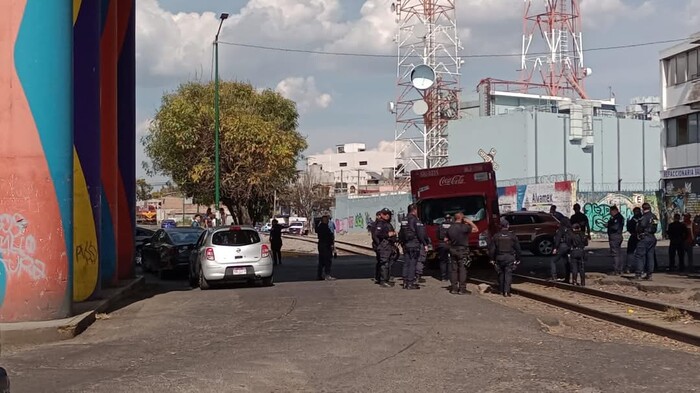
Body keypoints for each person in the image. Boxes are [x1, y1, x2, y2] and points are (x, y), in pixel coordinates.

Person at [446, 212, 479, 295]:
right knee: (462, 269)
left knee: (454, 270)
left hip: (453, 249)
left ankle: (454, 288)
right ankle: (462, 289)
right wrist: (470, 222)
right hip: (462, 250)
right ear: (462, 218)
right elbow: (476, 229)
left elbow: (446, 239)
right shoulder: (465, 227)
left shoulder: (450, 228)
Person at [489, 217, 521, 297]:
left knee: (501, 273)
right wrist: (518, 258)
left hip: (499, 257)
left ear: (500, 226)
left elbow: (492, 249)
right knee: (508, 274)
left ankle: (501, 290)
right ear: (508, 226)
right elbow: (518, 248)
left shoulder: (496, 236)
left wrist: (491, 259)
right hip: (510, 257)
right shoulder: (512, 236)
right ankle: (507, 291)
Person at [398, 204, 428, 290]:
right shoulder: (415, 220)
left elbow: (400, 233)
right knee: (412, 263)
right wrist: (425, 243)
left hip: (406, 244)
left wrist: (402, 243)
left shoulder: (404, 220)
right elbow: (421, 233)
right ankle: (410, 283)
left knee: (406, 263)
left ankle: (405, 281)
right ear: (414, 210)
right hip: (414, 243)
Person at [373, 208, 398, 288]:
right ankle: (383, 280)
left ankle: (386, 279)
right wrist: (388, 235)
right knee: (384, 263)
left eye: (388, 214)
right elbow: (377, 234)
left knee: (388, 262)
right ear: (381, 215)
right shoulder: (380, 223)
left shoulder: (387, 223)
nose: (387, 215)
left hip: (389, 246)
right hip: (384, 246)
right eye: (385, 214)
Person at [635, 202, 659, 280]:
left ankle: (639, 273)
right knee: (650, 256)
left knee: (640, 255)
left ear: (643, 209)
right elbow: (655, 227)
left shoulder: (644, 217)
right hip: (652, 237)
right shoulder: (654, 217)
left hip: (644, 237)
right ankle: (650, 274)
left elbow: (640, 227)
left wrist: (639, 233)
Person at [604, 205, 625, 275]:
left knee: (615, 254)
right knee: (619, 253)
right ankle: (620, 269)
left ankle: (616, 270)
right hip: (618, 236)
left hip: (615, 236)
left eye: (610, 211)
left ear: (614, 211)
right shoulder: (618, 217)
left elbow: (615, 227)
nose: (610, 213)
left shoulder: (617, 218)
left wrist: (609, 225)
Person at [551, 217, 572, 283]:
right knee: (566, 262)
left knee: (553, 261)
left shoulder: (561, 229)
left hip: (562, 246)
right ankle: (567, 278)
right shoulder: (570, 230)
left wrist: (555, 248)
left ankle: (554, 276)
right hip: (568, 247)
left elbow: (557, 239)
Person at [316, 215, 335, 280]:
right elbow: (329, 237)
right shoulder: (326, 228)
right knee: (327, 261)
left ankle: (319, 275)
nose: (327, 221)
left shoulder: (319, 227)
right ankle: (327, 275)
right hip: (326, 246)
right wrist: (332, 245)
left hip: (321, 245)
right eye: (326, 220)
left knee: (321, 261)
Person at [625, 207, 642, 274]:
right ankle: (641, 267)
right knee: (641, 253)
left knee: (630, 252)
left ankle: (629, 267)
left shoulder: (633, 219)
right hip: (641, 237)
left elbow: (629, 228)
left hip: (634, 236)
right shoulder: (643, 218)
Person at [437, 214, 453, 282]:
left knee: (443, 261)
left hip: (442, 244)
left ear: (444, 219)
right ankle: (450, 276)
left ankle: (443, 277)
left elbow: (437, 235)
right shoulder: (453, 225)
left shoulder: (440, 226)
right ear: (450, 218)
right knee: (451, 261)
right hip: (451, 244)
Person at [368, 211, 382, 283]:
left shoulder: (382, 223)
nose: (381, 217)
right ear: (377, 216)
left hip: (380, 245)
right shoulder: (375, 224)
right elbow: (374, 236)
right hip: (378, 245)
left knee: (382, 261)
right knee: (380, 261)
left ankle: (381, 276)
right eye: (380, 215)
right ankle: (378, 276)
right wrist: (379, 244)